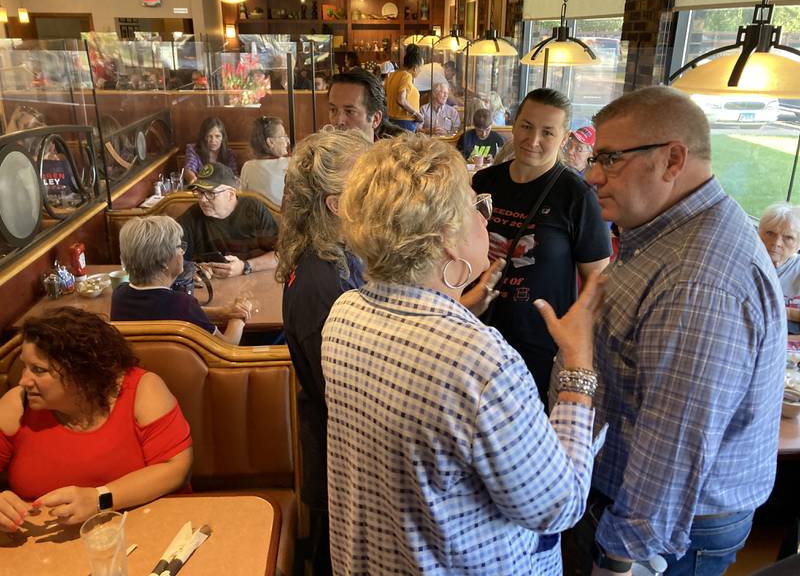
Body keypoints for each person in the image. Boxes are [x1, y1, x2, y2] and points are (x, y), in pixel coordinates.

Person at [322, 134, 605, 574]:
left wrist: (458, 307)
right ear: (447, 239)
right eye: (476, 205)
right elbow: (558, 505)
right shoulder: (482, 364)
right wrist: (577, 370)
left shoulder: (345, 314)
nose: (484, 217)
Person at [577, 86, 785, 575]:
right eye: (593, 157)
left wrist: (618, 559)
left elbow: (672, 447)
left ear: (672, 159)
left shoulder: (699, 279)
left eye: (610, 158)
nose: (592, 175)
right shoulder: (669, 230)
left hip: (668, 531)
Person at [472, 88, 611, 402]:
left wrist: (578, 348)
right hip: (478, 334)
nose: (532, 140)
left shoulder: (577, 196)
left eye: (547, 132)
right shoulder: (483, 182)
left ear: (563, 138)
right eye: (526, 126)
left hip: (539, 346)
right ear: (514, 123)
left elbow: (597, 281)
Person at [0, 308, 192, 531]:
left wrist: (99, 499)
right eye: (25, 366)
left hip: (147, 528)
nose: (24, 380)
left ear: (82, 373)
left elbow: (176, 468)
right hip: (40, 546)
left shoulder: (141, 389)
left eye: (38, 370)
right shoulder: (17, 404)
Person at [276, 128, 372, 575]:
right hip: (340, 462)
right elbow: (343, 394)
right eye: (368, 185)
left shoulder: (334, 256)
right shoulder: (321, 283)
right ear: (336, 203)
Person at [112, 216, 252, 345]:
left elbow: (163, 310)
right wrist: (238, 318)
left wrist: (221, 312)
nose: (183, 253)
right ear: (164, 261)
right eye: (179, 247)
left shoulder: (119, 294)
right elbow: (227, 346)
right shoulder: (182, 304)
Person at [178, 162, 279, 279]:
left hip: (255, 283)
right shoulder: (191, 216)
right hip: (214, 288)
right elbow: (171, 258)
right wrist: (195, 268)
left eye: (210, 193)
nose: (203, 200)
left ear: (231, 194)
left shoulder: (254, 208)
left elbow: (280, 255)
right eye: (200, 192)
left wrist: (245, 266)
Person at [327, 69, 405, 141]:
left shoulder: (395, 154)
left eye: (349, 111)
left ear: (375, 119)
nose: (338, 121)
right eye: (333, 110)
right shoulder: (321, 153)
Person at [759, 202, 800, 333]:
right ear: (759, 234)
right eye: (770, 233)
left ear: (798, 245)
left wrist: (782, 311)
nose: (776, 243)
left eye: (788, 238)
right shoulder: (745, 264)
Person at [240, 116, 290, 206]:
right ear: (270, 142)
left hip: (256, 218)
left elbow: (242, 198)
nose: (287, 141)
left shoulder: (247, 167)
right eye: (283, 136)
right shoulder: (290, 164)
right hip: (285, 219)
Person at [183, 117, 238, 185]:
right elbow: (189, 170)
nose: (213, 141)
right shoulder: (193, 149)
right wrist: (193, 180)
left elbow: (233, 176)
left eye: (217, 136)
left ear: (223, 137)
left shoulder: (229, 154)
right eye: (209, 136)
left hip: (222, 191)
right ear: (203, 137)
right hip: (199, 189)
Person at [385, 44, 424, 132]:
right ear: (415, 68)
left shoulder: (392, 75)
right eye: (421, 68)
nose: (421, 71)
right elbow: (401, 100)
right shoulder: (407, 76)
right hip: (405, 122)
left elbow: (384, 96)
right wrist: (416, 114)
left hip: (392, 120)